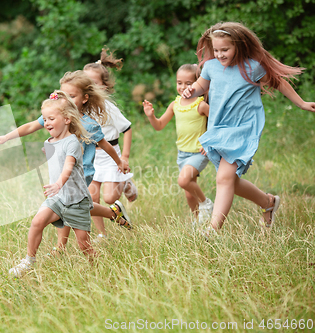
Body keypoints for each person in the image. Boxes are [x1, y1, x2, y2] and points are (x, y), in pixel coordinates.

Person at [182, 22, 315, 235]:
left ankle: (212, 231)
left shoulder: (252, 67)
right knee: (231, 179)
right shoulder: (211, 67)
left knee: (224, 178)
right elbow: (201, 86)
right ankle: (268, 202)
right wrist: (192, 91)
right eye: (216, 50)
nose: (220, 54)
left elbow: (278, 82)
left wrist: (301, 103)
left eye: (225, 50)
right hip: (219, 127)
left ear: (239, 46)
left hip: (243, 128)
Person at [0, 71, 132, 251]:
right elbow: (32, 125)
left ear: (85, 98)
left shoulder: (89, 125)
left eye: (73, 96)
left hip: (80, 174)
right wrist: (7, 137)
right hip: (60, 172)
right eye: (65, 96)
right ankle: (113, 213)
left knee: (66, 205)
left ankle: (60, 247)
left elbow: (106, 146)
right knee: (78, 206)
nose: (68, 101)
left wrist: (119, 161)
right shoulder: (56, 115)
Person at [9, 91, 95, 277]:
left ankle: (96, 270)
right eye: (44, 119)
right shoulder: (50, 141)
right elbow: (56, 159)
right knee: (37, 222)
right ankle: (29, 261)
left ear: (66, 119)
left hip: (75, 200)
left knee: (84, 246)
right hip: (57, 198)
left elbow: (68, 167)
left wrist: (58, 183)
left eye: (50, 119)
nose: (46, 123)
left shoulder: (72, 142)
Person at [143, 64, 213, 227]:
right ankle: (198, 222)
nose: (183, 87)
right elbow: (159, 125)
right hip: (182, 154)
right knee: (189, 194)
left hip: (198, 153)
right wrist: (151, 116)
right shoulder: (175, 104)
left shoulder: (201, 104)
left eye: (188, 83)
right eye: (179, 82)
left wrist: (209, 142)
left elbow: (217, 123)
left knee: (183, 181)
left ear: (198, 83)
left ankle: (206, 204)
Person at [83, 48, 138, 242]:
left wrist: (125, 157)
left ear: (104, 86)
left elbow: (128, 129)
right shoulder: (80, 108)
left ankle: (125, 182)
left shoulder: (107, 107)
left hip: (111, 155)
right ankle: (102, 233)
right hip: (91, 156)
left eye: (94, 84)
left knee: (109, 199)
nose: (89, 88)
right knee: (91, 198)